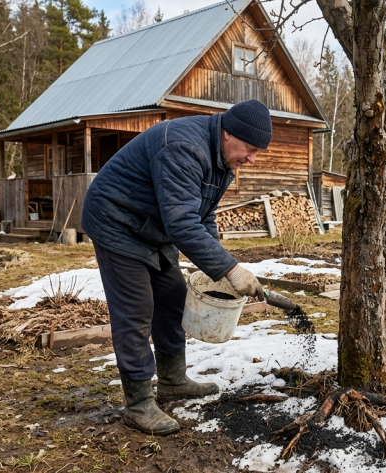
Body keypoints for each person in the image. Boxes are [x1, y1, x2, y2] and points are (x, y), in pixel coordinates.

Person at [81, 99, 271, 435]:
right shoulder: (184, 147)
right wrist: (231, 269)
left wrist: (218, 268)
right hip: (116, 221)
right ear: (229, 133)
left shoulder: (221, 159)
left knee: (172, 297)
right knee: (136, 309)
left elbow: (202, 216)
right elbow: (183, 223)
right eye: (250, 149)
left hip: (152, 225)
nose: (252, 159)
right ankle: (138, 404)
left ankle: (172, 381)